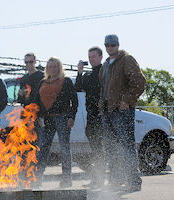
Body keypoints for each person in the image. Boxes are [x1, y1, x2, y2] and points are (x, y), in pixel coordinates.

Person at [99, 34, 145, 191]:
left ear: (118, 45)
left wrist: (127, 100)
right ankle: (116, 180)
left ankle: (134, 181)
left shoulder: (126, 59)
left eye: (112, 44)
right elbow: (103, 88)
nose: (109, 47)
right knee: (111, 148)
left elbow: (139, 82)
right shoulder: (106, 64)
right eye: (107, 45)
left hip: (121, 111)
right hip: (107, 110)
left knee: (127, 146)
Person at [36, 57, 78, 188]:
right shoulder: (43, 82)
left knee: (64, 148)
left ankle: (67, 179)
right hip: (47, 119)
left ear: (59, 68)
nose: (53, 69)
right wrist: (38, 115)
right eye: (50, 67)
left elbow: (74, 100)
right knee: (43, 148)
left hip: (63, 117)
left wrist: (72, 117)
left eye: (55, 66)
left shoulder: (66, 81)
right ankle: (37, 179)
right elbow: (36, 100)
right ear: (47, 69)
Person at [75, 47, 104, 187]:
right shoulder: (88, 75)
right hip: (91, 118)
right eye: (89, 57)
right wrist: (79, 72)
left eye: (94, 56)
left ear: (100, 57)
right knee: (96, 150)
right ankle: (97, 179)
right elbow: (78, 88)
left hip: (103, 117)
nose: (92, 59)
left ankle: (106, 179)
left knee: (103, 150)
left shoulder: (105, 72)